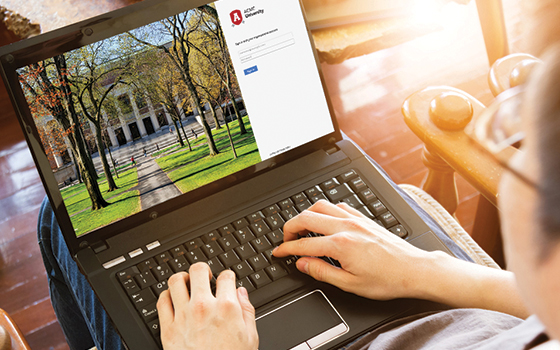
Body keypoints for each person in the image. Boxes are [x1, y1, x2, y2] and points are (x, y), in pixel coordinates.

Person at [38, 3, 560, 350]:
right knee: (330, 158)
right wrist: (426, 269)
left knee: (57, 222)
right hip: (442, 302)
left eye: (520, 137)